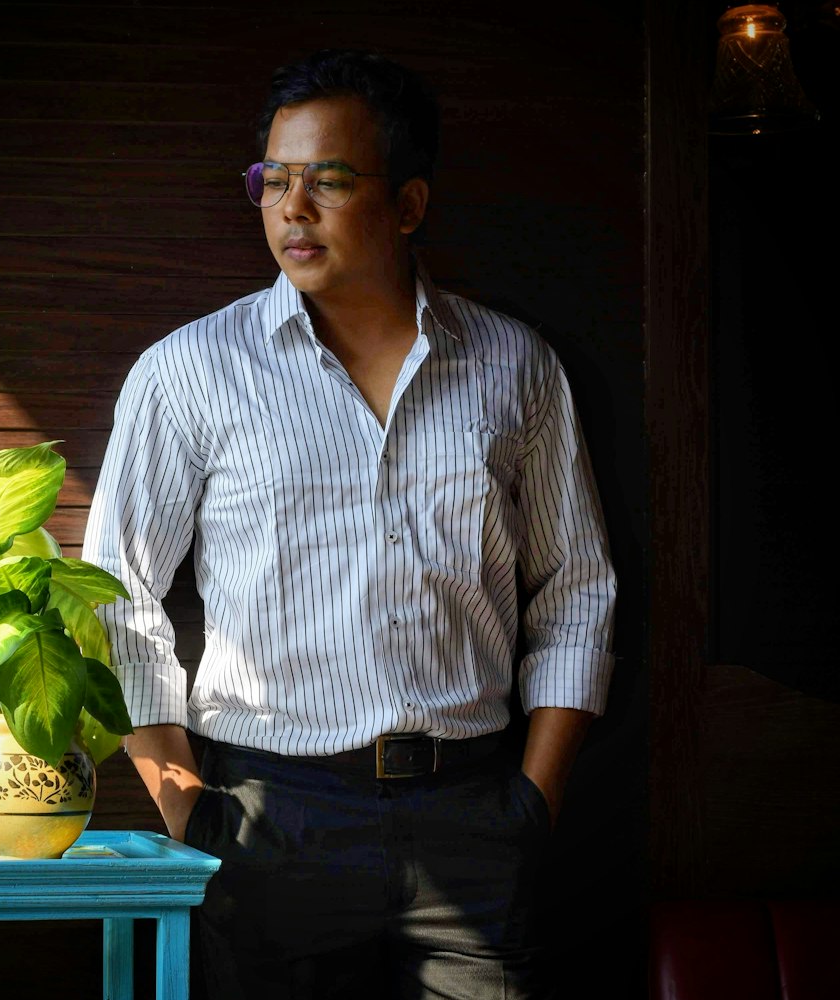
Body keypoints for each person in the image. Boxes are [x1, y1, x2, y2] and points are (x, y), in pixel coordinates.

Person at [83, 48, 616, 1000]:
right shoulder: (190, 372)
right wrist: (192, 815)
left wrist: (534, 802)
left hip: (475, 813)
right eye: (273, 180)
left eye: (327, 180)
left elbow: (578, 586)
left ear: (408, 205)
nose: (292, 208)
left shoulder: (514, 365)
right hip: (267, 817)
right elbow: (116, 594)